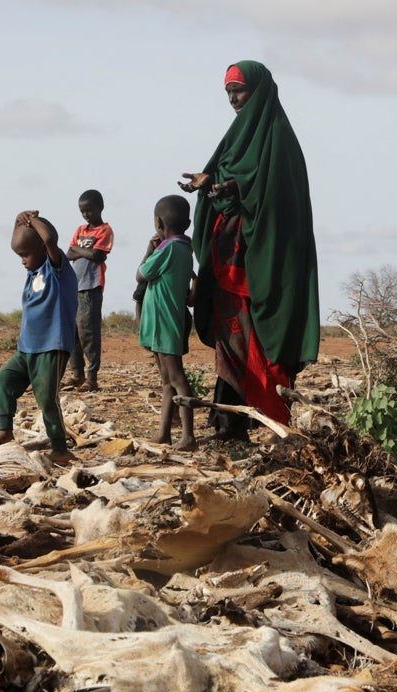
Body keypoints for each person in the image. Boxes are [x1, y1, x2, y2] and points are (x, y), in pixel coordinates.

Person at [178, 60, 319, 441]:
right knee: (230, 339)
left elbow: (276, 204)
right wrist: (213, 184)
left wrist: (236, 191)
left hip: (262, 264)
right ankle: (230, 423)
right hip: (229, 261)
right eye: (228, 93)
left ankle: (273, 424)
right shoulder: (235, 140)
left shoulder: (280, 144)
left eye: (238, 91)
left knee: (262, 339)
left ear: (258, 91)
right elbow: (228, 187)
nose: (233, 100)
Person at [0, 211, 78, 466]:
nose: (22, 261)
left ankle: (60, 448)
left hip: (52, 346)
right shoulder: (33, 272)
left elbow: (51, 239)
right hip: (28, 347)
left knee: (46, 398)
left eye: (25, 255)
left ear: (42, 249)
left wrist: (34, 222)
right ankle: (5, 429)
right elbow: (24, 241)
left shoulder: (57, 269)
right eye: (20, 256)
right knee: (4, 380)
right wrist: (19, 222)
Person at [136, 194, 197, 451]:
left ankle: (189, 436)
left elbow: (141, 274)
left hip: (164, 322)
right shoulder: (184, 247)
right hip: (169, 319)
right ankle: (164, 433)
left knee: (177, 377)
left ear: (158, 223)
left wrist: (149, 250)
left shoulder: (169, 248)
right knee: (166, 379)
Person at [64, 189, 114, 392]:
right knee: (72, 333)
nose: (86, 215)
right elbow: (68, 253)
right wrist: (81, 252)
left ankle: (92, 377)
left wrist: (79, 250)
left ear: (100, 208)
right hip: (74, 286)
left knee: (89, 333)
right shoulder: (80, 229)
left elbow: (98, 256)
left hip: (91, 288)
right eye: (82, 211)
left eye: (89, 210)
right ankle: (77, 374)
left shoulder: (104, 230)